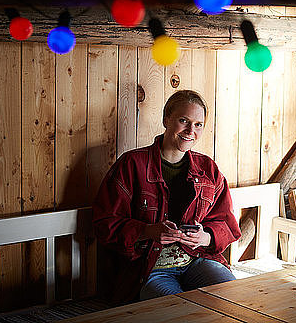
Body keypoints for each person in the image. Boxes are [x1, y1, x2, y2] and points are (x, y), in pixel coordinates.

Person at [92, 89, 241, 305]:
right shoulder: (132, 164)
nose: (191, 130)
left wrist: (205, 237)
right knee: (179, 310)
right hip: (149, 269)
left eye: (198, 124)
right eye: (183, 120)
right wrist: (147, 231)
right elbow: (104, 223)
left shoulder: (208, 169)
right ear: (166, 119)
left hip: (198, 260)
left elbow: (225, 223)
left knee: (231, 297)